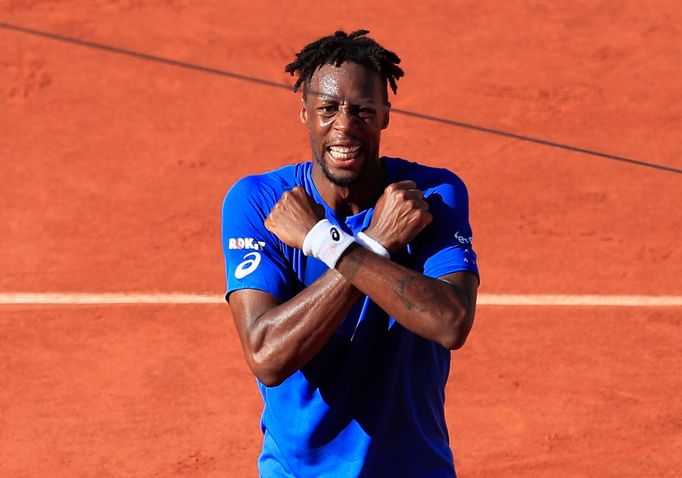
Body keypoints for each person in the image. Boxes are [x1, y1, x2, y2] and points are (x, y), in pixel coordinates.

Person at [222, 29, 479, 478]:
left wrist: (328, 242)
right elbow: (267, 356)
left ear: (384, 116)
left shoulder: (432, 196)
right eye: (327, 109)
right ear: (304, 112)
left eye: (361, 110)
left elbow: (450, 323)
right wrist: (375, 244)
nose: (344, 126)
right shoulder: (260, 202)